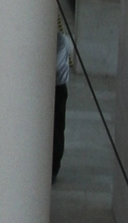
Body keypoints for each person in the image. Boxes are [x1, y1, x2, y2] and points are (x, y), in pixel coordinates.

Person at [53, 22, 71, 181]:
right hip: (56, 89)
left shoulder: (60, 42)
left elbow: (57, 70)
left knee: (57, 129)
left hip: (57, 90)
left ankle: (53, 168)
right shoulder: (62, 41)